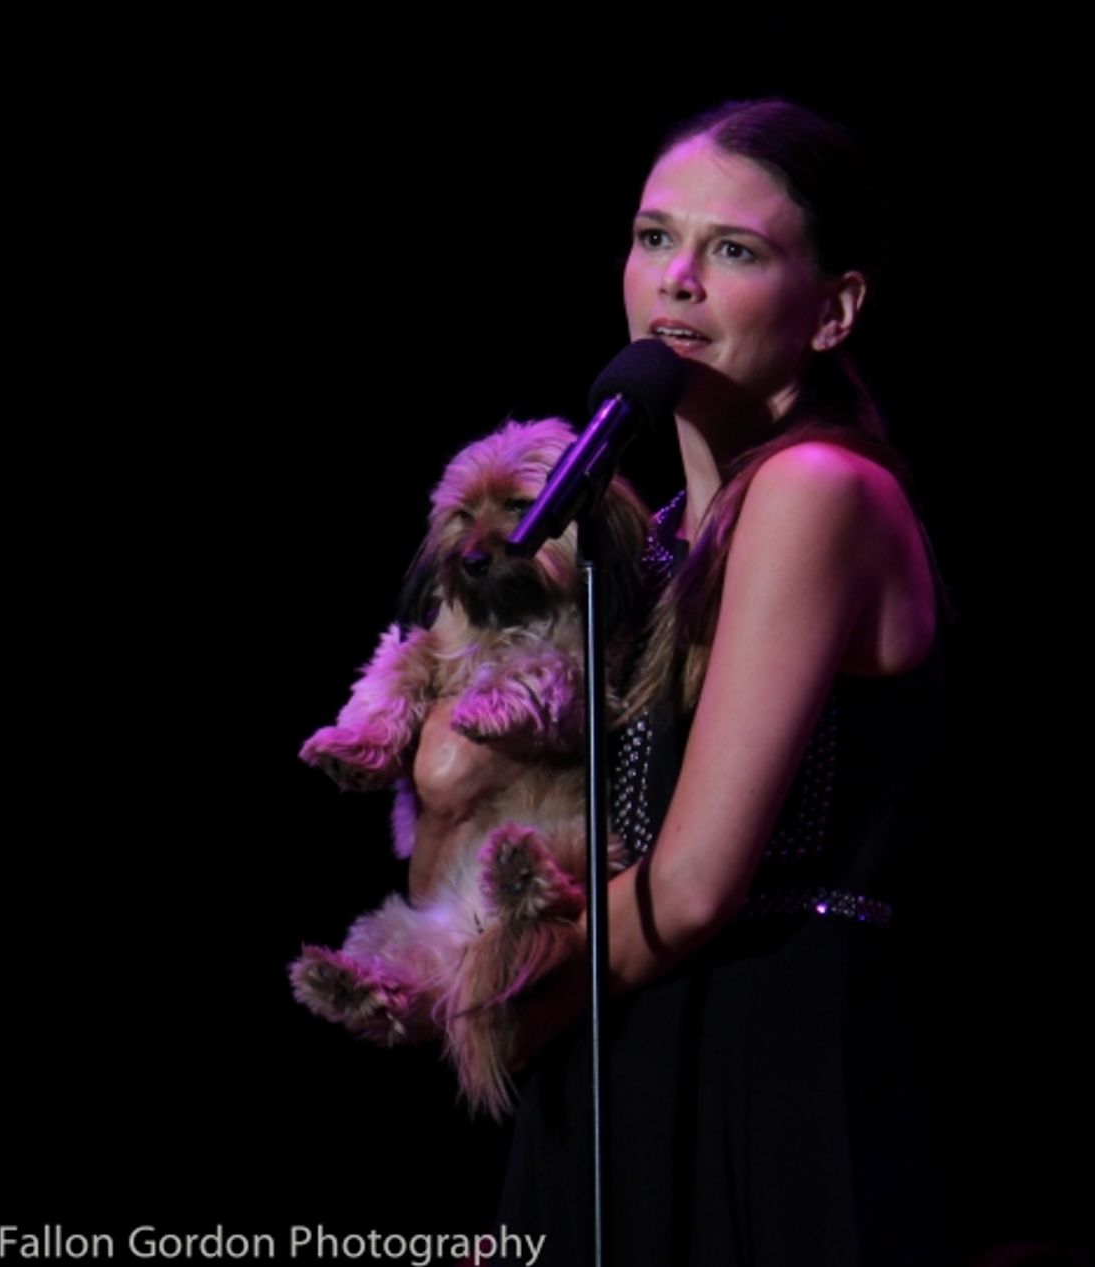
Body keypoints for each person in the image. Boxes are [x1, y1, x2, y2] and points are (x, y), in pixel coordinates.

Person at [415, 98, 952, 1265]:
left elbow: (698, 882)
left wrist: (492, 995)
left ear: (834, 309)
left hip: (763, 1056)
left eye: (734, 251)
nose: (677, 282)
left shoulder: (815, 488)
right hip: (627, 1038)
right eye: (654, 237)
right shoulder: (649, 533)